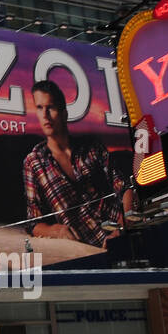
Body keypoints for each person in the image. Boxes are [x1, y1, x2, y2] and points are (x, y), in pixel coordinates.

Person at [23, 80, 135, 247]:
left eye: (51, 107)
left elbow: (125, 188)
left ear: (63, 113)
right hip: (88, 250)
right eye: (40, 108)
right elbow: (33, 223)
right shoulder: (34, 162)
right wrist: (56, 230)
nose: (45, 115)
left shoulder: (92, 147)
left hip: (125, 236)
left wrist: (121, 228)